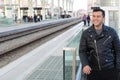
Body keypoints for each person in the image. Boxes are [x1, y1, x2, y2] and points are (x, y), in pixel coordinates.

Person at [79, 8, 120, 80]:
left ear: (103, 18)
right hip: (93, 71)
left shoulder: (112, 32)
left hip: (110, 69)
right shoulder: (86, 33)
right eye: (94, 16)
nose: (95, 18)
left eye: (98, 16)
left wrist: (117, 69)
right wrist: (85, 64)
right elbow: (82, 51)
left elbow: (118, 50)